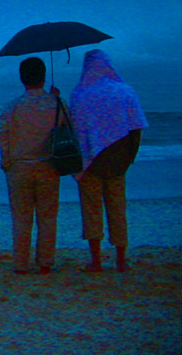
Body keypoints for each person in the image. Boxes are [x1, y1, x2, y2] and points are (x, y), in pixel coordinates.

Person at [70, 49, 148, 272]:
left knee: (91, 209)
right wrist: (129, 157)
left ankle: (96, 261)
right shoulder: (126, 91)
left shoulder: (79, 94)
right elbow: (136, 128)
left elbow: (76, 131)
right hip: (118, 161)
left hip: (90, 162)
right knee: (117, 209)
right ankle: (121, 260)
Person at [0, 57, 62, 274]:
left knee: (21, 218)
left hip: (19, 168)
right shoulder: (55, 104)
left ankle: (21, 264)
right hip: (48, 166)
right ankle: (45, 262)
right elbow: (65, 131)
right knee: (47, 216)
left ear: (22, 78)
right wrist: (56, 100)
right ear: (43, 77)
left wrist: (5, 160)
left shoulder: (13, 106)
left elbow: (3, 135)